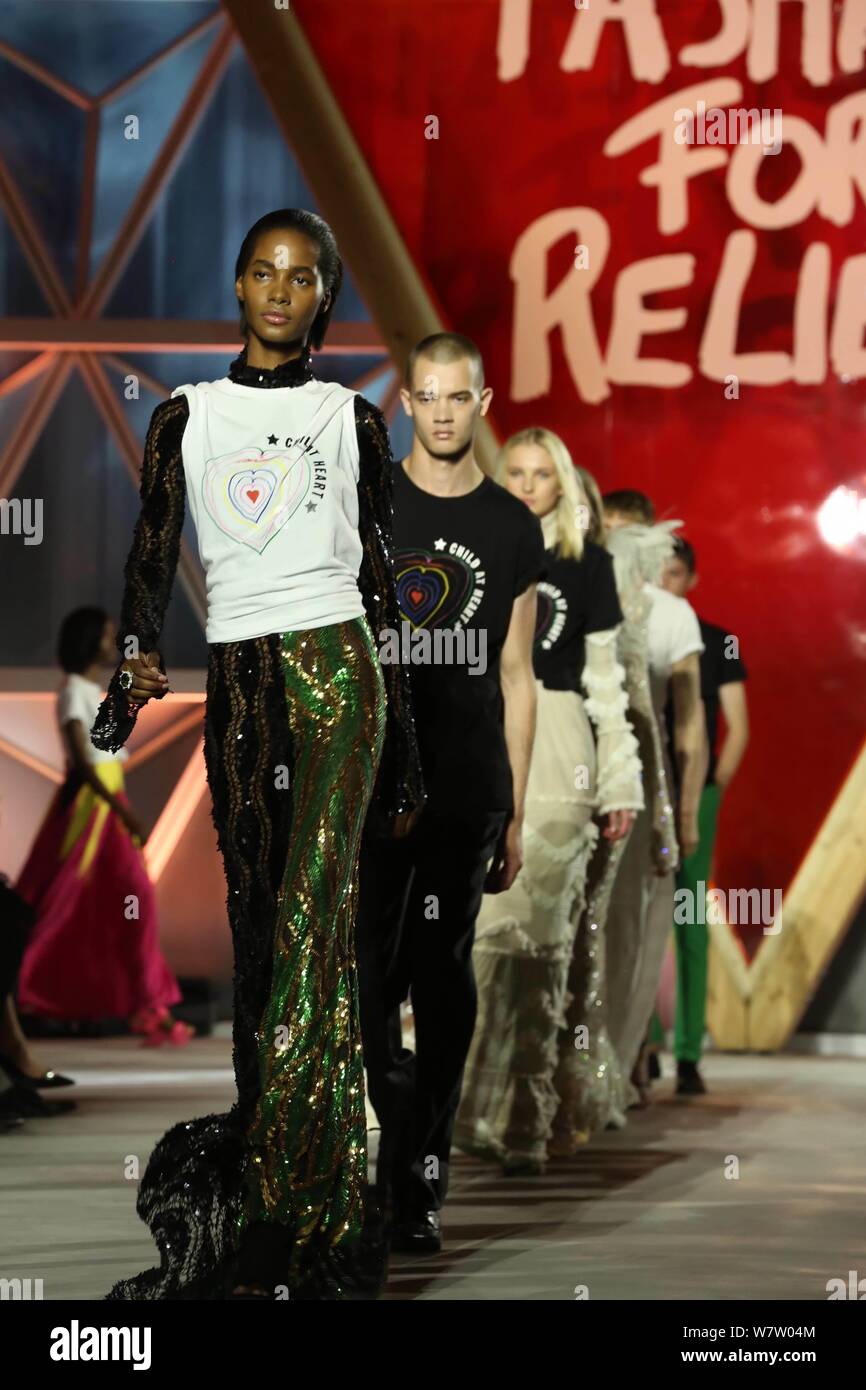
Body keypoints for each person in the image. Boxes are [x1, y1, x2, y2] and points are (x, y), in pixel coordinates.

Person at [89, 208, 425, 1300]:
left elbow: (380, 589)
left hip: (337, 673)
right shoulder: (187, 417)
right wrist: (137, 661)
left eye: (302, 276)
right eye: (262, 272)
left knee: (318, 920)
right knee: (260, 929)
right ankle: (275, 1170)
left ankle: (307, 1208)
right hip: (237, 678)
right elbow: (148, 559)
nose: (280, 290)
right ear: (237, 287)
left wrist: (407, 745)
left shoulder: (351, 417)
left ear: (324, 296)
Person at [355, 333, 546, 1251]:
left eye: (456, 397)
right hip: (371, 784)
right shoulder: (365, 503)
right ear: (407, 400)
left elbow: (516, 671)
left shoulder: (513, 526)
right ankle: (393, 1146)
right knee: (365, 985)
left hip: (466, 791)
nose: (439, 411)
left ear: (480, 400)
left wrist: (512, 806)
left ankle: (419, 1178)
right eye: (425, 395)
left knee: (442, 979)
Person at [454, 431, 641, 1175]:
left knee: (541, 941)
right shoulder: (473, 550)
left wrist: (620, 781)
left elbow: (606, 685)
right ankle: (458, 1115)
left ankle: (526, 1123)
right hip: (477, 735)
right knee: (472, 934)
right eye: (516, 473)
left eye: (542, 475)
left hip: (561, 744)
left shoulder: (587, 566)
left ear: (563, 485)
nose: (529, 485)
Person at [550, 510, 681, 1147]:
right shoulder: (560, 585)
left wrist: (662, 815)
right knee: (572, 934)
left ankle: (594, 1074)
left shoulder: (648, 615)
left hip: (614, 776)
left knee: (601, 932)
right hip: (566, 767)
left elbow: (659, 725)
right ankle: (564, 1077)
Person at [14, 607, 191, 1048]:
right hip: (97, 809)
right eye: (108, 634)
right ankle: (146, 1005)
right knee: (120, 897)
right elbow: (85, 761)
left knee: (122, 901)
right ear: (91, 641)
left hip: (107, 802)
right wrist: (122, 812)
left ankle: (147, 1004)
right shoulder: (73, 692)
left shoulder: (86, 692)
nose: (114, 640)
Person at [596, 491, 706, 1098]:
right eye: (608, 533)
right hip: (582, 778)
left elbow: (688, 722)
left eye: (630, 534)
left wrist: (685, 810)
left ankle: (622, 1054)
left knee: (634, 923)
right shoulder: (577, 594)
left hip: (644, 780)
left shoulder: (670, 614)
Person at [661, 537, 749, 1095]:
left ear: (690, 578)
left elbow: (737, 726)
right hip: (646, 790)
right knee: (638, 921)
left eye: (673, 573)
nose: (665, 582)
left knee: (689, 916)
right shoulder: (631, 633)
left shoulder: (719, 643)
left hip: (697, 787)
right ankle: (638, 1049)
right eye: (657, 572)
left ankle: (689, 1051)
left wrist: (711, 785)